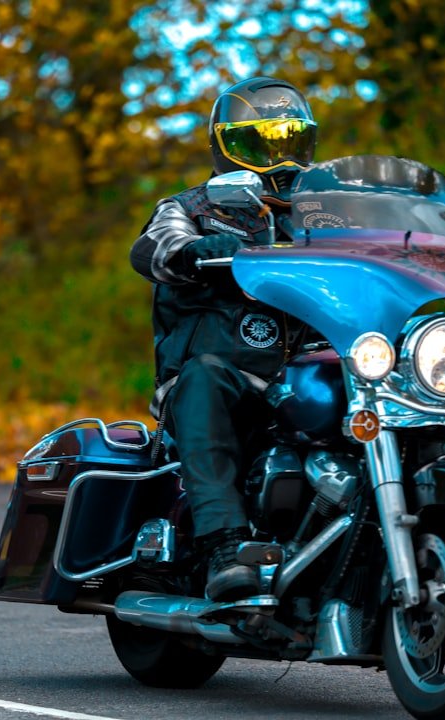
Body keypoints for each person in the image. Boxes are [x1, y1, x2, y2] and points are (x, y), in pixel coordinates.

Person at [129, 76, 318, 602]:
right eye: (261, 142)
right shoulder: (191, 207)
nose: (278, 158)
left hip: (306, 377)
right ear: (228, 146)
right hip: (228, 379)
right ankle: (224, 545)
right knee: (206, 378)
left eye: (289, 140)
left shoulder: (324, 213)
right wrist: (191, 250)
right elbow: (154, 247)